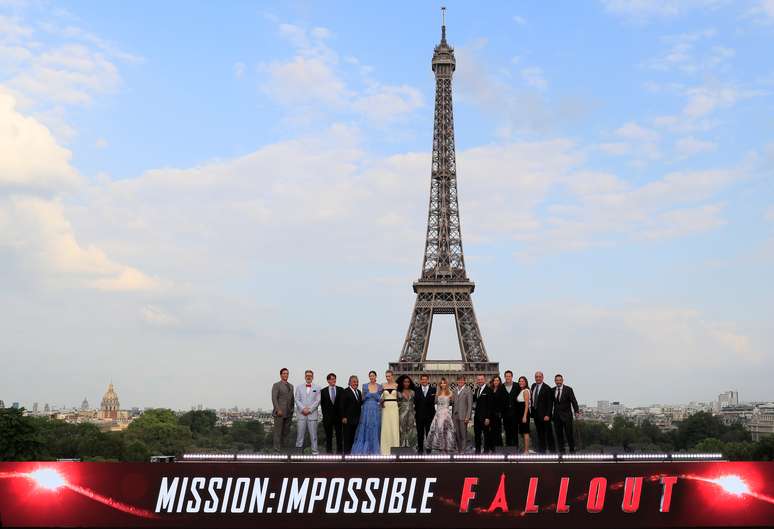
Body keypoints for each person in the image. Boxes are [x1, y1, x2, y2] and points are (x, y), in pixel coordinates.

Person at [351, 370, 382, 454]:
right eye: (370, 376)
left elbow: (381, 400)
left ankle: (374, 449)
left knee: (375, 428)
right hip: (366, 409)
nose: (372, 377)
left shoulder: (380, 387)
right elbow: (362, 399)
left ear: (376, 377)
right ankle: (365, 448)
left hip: (376, 409)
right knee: (365, 428)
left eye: (373, 376)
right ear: (369, 377)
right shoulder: (364, 386)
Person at [425, 377, 457, 453]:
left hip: (446, 414)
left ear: (446, 384)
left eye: (444, 382)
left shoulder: (450, 393)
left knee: (447, 431)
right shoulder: (437, 393)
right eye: (441, 383)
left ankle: (446, 447)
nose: (443, 384)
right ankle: (439, 447)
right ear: (440, 384)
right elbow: (435, 403)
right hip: (438, 414)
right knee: (436, 430)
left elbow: (453, 403)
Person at [294, 369, 321, 454]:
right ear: (305, 377)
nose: (308, 377)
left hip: (312, 415)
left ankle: (315, 453)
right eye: (307, 375)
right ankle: (298, 454)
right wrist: (303, 409)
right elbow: (297, 400)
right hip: (301, 415)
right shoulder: (299, 387)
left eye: (310, 375)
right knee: (300, 435)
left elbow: (318, 401)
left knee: (313, 436)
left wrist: (309, 410)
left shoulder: (317, 387)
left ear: (312, 377)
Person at [552, 374, 580, 454]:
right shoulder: (552, 390)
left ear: (562, 380)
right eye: (556, 380)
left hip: (567, 416)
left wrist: (576, 411)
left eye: (559, 380)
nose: (558, 382)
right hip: (556, 416)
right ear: (555, 381)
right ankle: (561, 451)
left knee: (569, 434)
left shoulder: (568, 389)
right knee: (558, 434)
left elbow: (574, 401)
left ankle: (572, 450)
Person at [530, 371, 555, 453]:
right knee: (540, 434)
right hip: (536, 416)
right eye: (536, 376)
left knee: (548, 434)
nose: (538, 378)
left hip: (545, 416)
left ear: (542, 377)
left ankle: (552, 451)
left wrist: (548, 415)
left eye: (539, 376)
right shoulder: (533, 386)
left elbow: (550, 403)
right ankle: (542, 451)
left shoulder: (547, 388)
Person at [271, 368, 294, 452]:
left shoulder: (291, 386)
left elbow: (292, 399)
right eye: (284, 373)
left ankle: (284, 451)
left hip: (289, 413)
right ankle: (276, 451)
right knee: (278, 433)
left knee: (286, 433)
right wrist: (278, 409)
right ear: (281, 375)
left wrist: (292, 410)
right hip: (279, 413)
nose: (286, 375)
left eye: (287, 373)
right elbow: (274, 398)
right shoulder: (276, 385)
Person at [320, 372, 343, 454]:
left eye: (334, 379)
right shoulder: (323, 391)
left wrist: (342, 416)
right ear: (328, 380)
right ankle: (329, 453)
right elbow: (322, 405)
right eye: (332, 379)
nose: (334, 380)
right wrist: (325, 416)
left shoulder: (341, 390)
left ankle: (339, 453)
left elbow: (342, 404)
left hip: (338, 417)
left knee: (339, 436)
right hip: (327, 418)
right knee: (328, 436)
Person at [339, 376, 362, 454]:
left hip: (357, 420)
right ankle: (346, 456)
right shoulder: (345, 391)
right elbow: (341, 405)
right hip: (347, 420)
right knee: (347, 438)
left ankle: (353, 455)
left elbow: (360, 405)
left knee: (354, 438)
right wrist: (343, 417)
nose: (356, 383)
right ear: (349, 382)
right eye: (354, 381)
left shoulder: (359, 392)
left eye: (357, 382)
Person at [414, 374, 436, 454]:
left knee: (429, 434)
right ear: (420, 380)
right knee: (420, 434)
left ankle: (429, 450)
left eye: (425, 379)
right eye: (422, 379)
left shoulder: (433, 389)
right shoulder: (416, 390)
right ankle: (420, 450)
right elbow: (415, 402)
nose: (424, 381)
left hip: (429, 416)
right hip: (419, 416)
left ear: (428, 380)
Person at [380, 370, 400, 455]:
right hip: (386, 408)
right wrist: (381, 403)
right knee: (386, 427)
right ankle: (385, 450)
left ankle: (395, 448)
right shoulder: (383, 385)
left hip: (394, 407)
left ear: (392, 376)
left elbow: (400, 398)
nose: (387, 378)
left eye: (389, 376)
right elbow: (379, 397)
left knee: (394, 427)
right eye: (386, 376)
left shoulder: (397, 385)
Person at [452, 375, 472, 453]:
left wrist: (468, 416)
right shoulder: (455, 390)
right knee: (457, 434)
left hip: (463, 416)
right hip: (455, 415)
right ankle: (459, 449)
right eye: (459, 380)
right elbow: (453, 403)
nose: (460, 382)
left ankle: (463, 451)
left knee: (463, 435)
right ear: (457, 381)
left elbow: (470, 405)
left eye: (462, 380)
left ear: (464, 381)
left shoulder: (468, 390)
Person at [472, 374, 492, 453]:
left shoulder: (488, 390)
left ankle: (486, 452)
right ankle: (477, 451)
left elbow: (490, 405)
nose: (480, 381)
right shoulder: (477, 390)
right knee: (477, 436)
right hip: (477, 417)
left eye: (481, 379)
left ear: (484, 380)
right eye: (478, 379)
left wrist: (488, 417)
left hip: (485, 418)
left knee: (486, 435)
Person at [396, 375, 417, 448]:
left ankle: (409, 444)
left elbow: (416, 403)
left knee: (410, 428)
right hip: (402, 412)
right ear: (402, 383)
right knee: (402, 428)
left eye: (408, 382)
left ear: (410, 383)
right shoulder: (398, 392)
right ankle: (402, 444)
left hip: (411, 412)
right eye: (405, 382)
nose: (406, 383)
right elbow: (396, 403)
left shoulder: (413, 392)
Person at [487, 375, 505, 452]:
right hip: (490, 414)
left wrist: (500, 413)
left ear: (499, 381)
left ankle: (498, 449)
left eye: (497, 380)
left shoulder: (502, 390)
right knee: (491, 432)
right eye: (495, 380)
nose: (496, 382)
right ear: (493, 382)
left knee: (497, 432)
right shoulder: (490, 390)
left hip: (497, 415)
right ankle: (492, 448)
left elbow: (503, 402)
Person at [501, 370, 519, 447]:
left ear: (512, 377)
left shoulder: (517, 386)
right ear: (504, 377)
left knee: (515, 433)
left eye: (509, 376)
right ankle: (509, 451)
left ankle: (515, 451)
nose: (508, 377)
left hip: (515, 414)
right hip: (505, 414)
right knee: (507, 433)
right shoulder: (501, 386)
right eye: (506, 376)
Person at [516, 376, 531, 453]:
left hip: (523, 413)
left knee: (525, 432)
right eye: (520, 381)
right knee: (522, 432)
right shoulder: (521, 391)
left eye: (522, 381)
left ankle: (526, 450)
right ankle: (524, 449)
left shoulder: (525, 391)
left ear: (525, 382)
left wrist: (525, 416)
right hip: (520, 413)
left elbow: (526, 405)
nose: (521, 382)